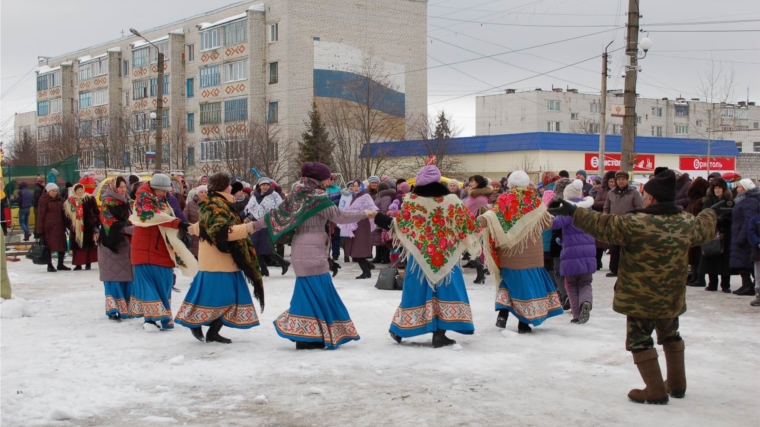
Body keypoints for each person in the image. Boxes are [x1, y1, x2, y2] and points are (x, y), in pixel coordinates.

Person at [549, 169, 717, 405]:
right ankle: (677, 385)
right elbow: (705, 226)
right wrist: (711, 210)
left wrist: (572, 211)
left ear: (652, 198)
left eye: (646, 194)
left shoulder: (637, 223)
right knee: (671, 335)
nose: (644, 197)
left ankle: (655, 390)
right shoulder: (685, 223)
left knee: (639, 340)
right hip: (671, 296)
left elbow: (603, 224)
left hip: (640, 298)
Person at [255, 162, 374, 350]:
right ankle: (308, 336)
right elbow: (340, 216)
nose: (329, 180)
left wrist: (250, 226)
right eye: (327, 177)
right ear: (318, 179)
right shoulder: (317, 198)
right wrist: (365, 213)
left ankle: (305, 334)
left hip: (299, 248)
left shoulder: (296, 196)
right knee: (318, 291)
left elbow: (273, 216)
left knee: (307, 291)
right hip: (314, 248)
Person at [384, 163, 481, 348]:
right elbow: (469, 224)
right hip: (446, 255)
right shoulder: (451, 200)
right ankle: (439, 333)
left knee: (415, 291)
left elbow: (401, 224)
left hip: (420, 255)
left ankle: (400, 329)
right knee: (446, 291)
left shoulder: (412, 200)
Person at [176, 173, 262, 343]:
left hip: (224, 260)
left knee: (227, 298)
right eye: (229, 185)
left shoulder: (217, 203)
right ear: (223, 186)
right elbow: (223, 232)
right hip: (218, 261)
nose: (231, 188)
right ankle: (197, 323)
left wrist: (190, 229)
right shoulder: (215, 204)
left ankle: (212, 331)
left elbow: (204, 227)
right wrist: (252, 226)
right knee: (220, 297)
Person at [480, 171, 563, 334]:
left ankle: (503, 315)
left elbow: (494, 217)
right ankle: (524, 323)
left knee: (509, 282)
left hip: (510, 251)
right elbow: (547, 224)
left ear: (510, 184)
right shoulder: (534, 200)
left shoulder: (504, 199)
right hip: (532, 253)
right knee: (528, 286)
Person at [129, 174, 196, 331]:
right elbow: (150, 216)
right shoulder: (142, 199)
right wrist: (177, 223)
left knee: (165, 282)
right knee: (149, 285)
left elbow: (172, 215)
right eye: (162, 191)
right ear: (154, 188)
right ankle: (150, 320)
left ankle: (162, 317)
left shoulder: (161, 199)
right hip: (145, 248)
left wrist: (184, 225)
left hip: (162, 247)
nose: (164, 193)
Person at [551, 180, 596, 324]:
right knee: (585, 282)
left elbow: (554, 224)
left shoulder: (568, 211)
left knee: (570, 284)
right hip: (589, 253)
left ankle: (577, 315)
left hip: (570, 254)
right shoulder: (589, 210)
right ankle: (586, 302)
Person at [98, 177, 134, 320]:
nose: (123, 189)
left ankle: (126, 309)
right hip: (110, 246)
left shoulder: (127, 202)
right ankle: (113, 310)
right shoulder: (107, 203)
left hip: (126, 245)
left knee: (126, 277)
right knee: (113, 278)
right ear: (113, 188)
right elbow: (110, 225)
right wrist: (130, 229)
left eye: (124, 187)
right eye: (120, 187)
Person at [244, 177, 290, 276]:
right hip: (255, 224)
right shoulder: (254, 195)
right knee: (255, 247)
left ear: (270, 186)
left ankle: (283, 262)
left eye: (267, 185)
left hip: (267, 224)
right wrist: (248, 218)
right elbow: (251, 209)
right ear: (259, 186)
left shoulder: (274, 195)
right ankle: (264, 269)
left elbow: (280, 208)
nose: (265, 187)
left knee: (266, 248)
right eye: (263, 185)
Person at [604, 171, 643, 277]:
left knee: (628, 247)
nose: (621, 181)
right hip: (614, 223)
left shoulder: (634, 192)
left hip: (628, 223)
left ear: (627, 180)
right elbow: (606, 208)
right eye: (619, 179)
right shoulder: (611, 193)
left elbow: (639, 207)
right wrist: (606, 218)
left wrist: (634, 219)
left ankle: (629, 269)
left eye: (623, 179)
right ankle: (614, 269)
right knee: (614, 247)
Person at [698, 178, 734, 292]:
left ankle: (725, 285)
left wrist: (725, 220)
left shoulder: (729, 201)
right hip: (712, 233)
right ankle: (712, 284)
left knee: (724, 261)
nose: (717, 190)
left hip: (725, 233)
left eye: (720, 188)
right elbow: (703, 215)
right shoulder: (708, 201)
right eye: (715, 188)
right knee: (710, 258)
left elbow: (732, 215)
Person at [339, 179, 378, 279]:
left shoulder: (366, 196)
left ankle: (366, 272)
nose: (355, 188)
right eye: (354, 186)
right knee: (353, 251)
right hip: (352, 225)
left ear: (362, 187)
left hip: (361, 225)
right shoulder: (350, 196)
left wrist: (365, 214)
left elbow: (373, 209)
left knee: (358, 250)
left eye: (358, 186)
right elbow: (346, 209)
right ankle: (368, 267)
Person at [730, 179, 760, 296]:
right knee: (742, 261)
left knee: (745, 262)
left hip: (744, 236)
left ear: (746, 188)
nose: (737, 189)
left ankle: (749, 286)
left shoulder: (750, 201)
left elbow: (749, 220)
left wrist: (741, 236)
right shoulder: (744, 200)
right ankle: (747, 285)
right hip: (740, 234)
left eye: (740, 187)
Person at [63, 183, 100, 270]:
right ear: (74, 191)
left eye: (81, 189)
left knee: (88, 246)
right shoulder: (70, 202)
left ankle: (88, 263)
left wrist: (94, 221)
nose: (80, 191)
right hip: (76, 228)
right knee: (77, 246)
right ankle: (78, 264)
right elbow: (67, 215)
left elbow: (96, 211)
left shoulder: (89, 198)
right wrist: (70, 225)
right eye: (78, 190)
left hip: (88, 227)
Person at [35, 183, 70, 272]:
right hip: (49, 228)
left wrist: (67, 224)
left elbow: (64, 213)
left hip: (60, 226)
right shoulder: (43, 200)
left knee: (62, 245)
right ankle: (49, 265)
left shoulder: (60, 200)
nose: (55, 193)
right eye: (53, 191)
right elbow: (40, 215)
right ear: (48, 191)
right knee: (49, 247)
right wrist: (40, 230)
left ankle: (60, 264)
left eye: (56, 191)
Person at [464, 175, 492, 284]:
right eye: (470, 181)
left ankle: (481, 269)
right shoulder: (473, 195)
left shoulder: (480, 198)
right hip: (467, 224)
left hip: (472, 226)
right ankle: (480, 270)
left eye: (473, 181)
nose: (470, 183)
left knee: (468, 249)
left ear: (479, 183)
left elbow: (480, 213)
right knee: (467, 250)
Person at [684, 177, 710, 287]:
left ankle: (700, 278)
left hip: (696, 229)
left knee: (698, 255)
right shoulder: (694, 200)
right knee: (693, 255)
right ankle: (695, 276)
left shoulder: (700, 201)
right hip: (692, 229)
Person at [593, 171, 616, 270]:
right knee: (599, 243)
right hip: (603, 219)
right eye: (610, 181)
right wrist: (609, 202)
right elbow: (596, 203)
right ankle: (597, 262)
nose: (612, 183)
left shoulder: (619, 191)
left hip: (615, 219)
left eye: (613, 181)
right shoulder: (602, 190)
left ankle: (614, 265)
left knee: (614, 245)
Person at [371, 183, 396, 264]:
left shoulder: (385, 197)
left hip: (382, 221)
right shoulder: (380, 196)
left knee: (384, 240)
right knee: (378, 241)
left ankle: (384, 257)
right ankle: (378, 256)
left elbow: (385, 209)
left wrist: (381, 220)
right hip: (378, 220)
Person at [183, 185, 207, 258]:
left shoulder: (210, 204)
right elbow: (184, 217)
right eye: (201, 192)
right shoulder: (190, 204)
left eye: (205, 192)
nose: (203, 194)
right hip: (194, 236)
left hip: (207, 236)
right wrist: (188, 227)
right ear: (197, 194)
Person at [748, 213, 760, 306]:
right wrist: (758, 243)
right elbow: (751, 233)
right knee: (758, 276)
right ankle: (758, 296)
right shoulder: (755, 219)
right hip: (758, 252)